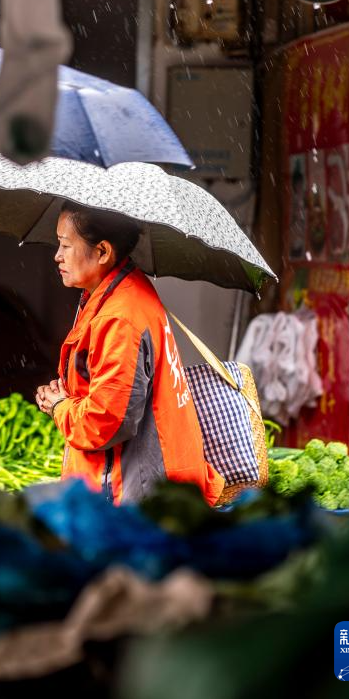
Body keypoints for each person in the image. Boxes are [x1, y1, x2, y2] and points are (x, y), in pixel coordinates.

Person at [35, 202, 224, 506]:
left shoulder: (119, 317)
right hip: (163, 481)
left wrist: (60, 407)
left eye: (66, 245)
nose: (57, 255)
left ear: (102, 252)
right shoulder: (125, 289)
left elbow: (106, 422)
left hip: (138, 496)